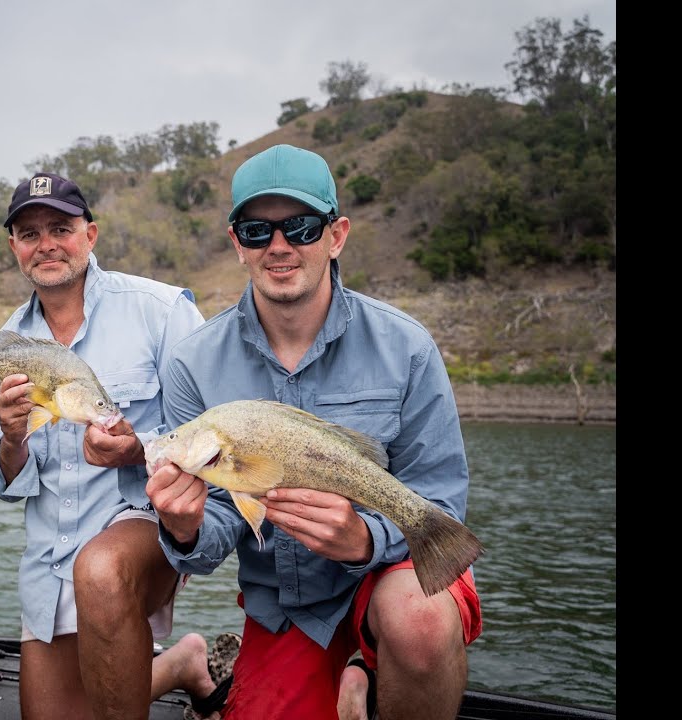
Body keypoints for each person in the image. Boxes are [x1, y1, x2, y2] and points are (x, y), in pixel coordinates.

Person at [146, 144, 483, 720]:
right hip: (287, 604)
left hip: (392, 572)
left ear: (336, 235)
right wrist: (184, 529)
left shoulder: (407, 345)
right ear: (237, 243)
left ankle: (373, 659)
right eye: (257, 231)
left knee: (420, 622)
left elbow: (440, 498)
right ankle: (357, 674)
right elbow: (220, 531)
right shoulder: (191, 364)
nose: (279, 246)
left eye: (300, 227)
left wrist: (365, 541)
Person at [0, 172, 223, 720]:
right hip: (49, 555)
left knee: (100, 571)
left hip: (141, 529)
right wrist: (12, 437)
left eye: (61, 227)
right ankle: (181, 665)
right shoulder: (8, 345)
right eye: (29, 233)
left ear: (91, 234)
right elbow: (12, 483)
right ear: (14, 247)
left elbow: (216, 434)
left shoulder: (162, 312)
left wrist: (138, 450)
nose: (46, 244)